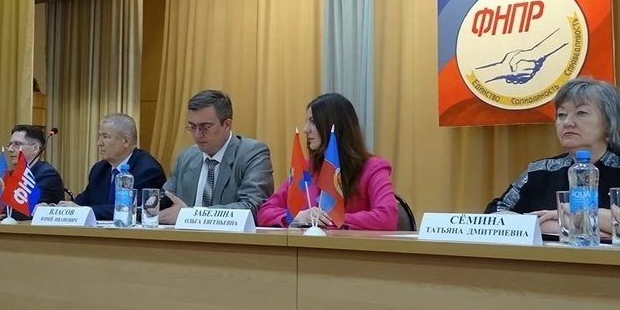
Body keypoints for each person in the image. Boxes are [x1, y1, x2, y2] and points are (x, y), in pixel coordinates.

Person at [485, 78, 620, 242]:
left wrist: (575, 214)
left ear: (609, 122)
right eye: (561, 115)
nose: (567, 122)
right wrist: (568, 225)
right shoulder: (540, 171)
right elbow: (494, 216)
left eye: (581, 113)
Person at [257, 93, 398, 230]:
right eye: (306, 122)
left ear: (334, 125)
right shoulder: (306, 166)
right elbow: (265, 212)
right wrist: (296, 217)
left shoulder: (373, 168)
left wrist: (331, 219)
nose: (305, 129)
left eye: (313, 121)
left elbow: (387, 217)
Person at [158, 90, 273, 224]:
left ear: (227, 125)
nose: (197, 135)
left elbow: (252, 207)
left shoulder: (252, 154)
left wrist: (191, 215)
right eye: (192, 127)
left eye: (205, 127)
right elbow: (166, 198)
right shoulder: (186, 157)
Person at [58, 114, 166, 220]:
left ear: (126, 141)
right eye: (99, 136)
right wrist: (62, 209)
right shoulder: (99, 169)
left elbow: (129, 209)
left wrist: (84, 210)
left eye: (105, 136)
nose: (99, 143)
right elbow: (84, 200)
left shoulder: (148, 170)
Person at [0, 125, 65, 220]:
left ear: (35, 148)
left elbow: (17, 209)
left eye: (17, 144)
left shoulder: (47, 175)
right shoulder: (12, 175)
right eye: (10, 144)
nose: (10, 149)